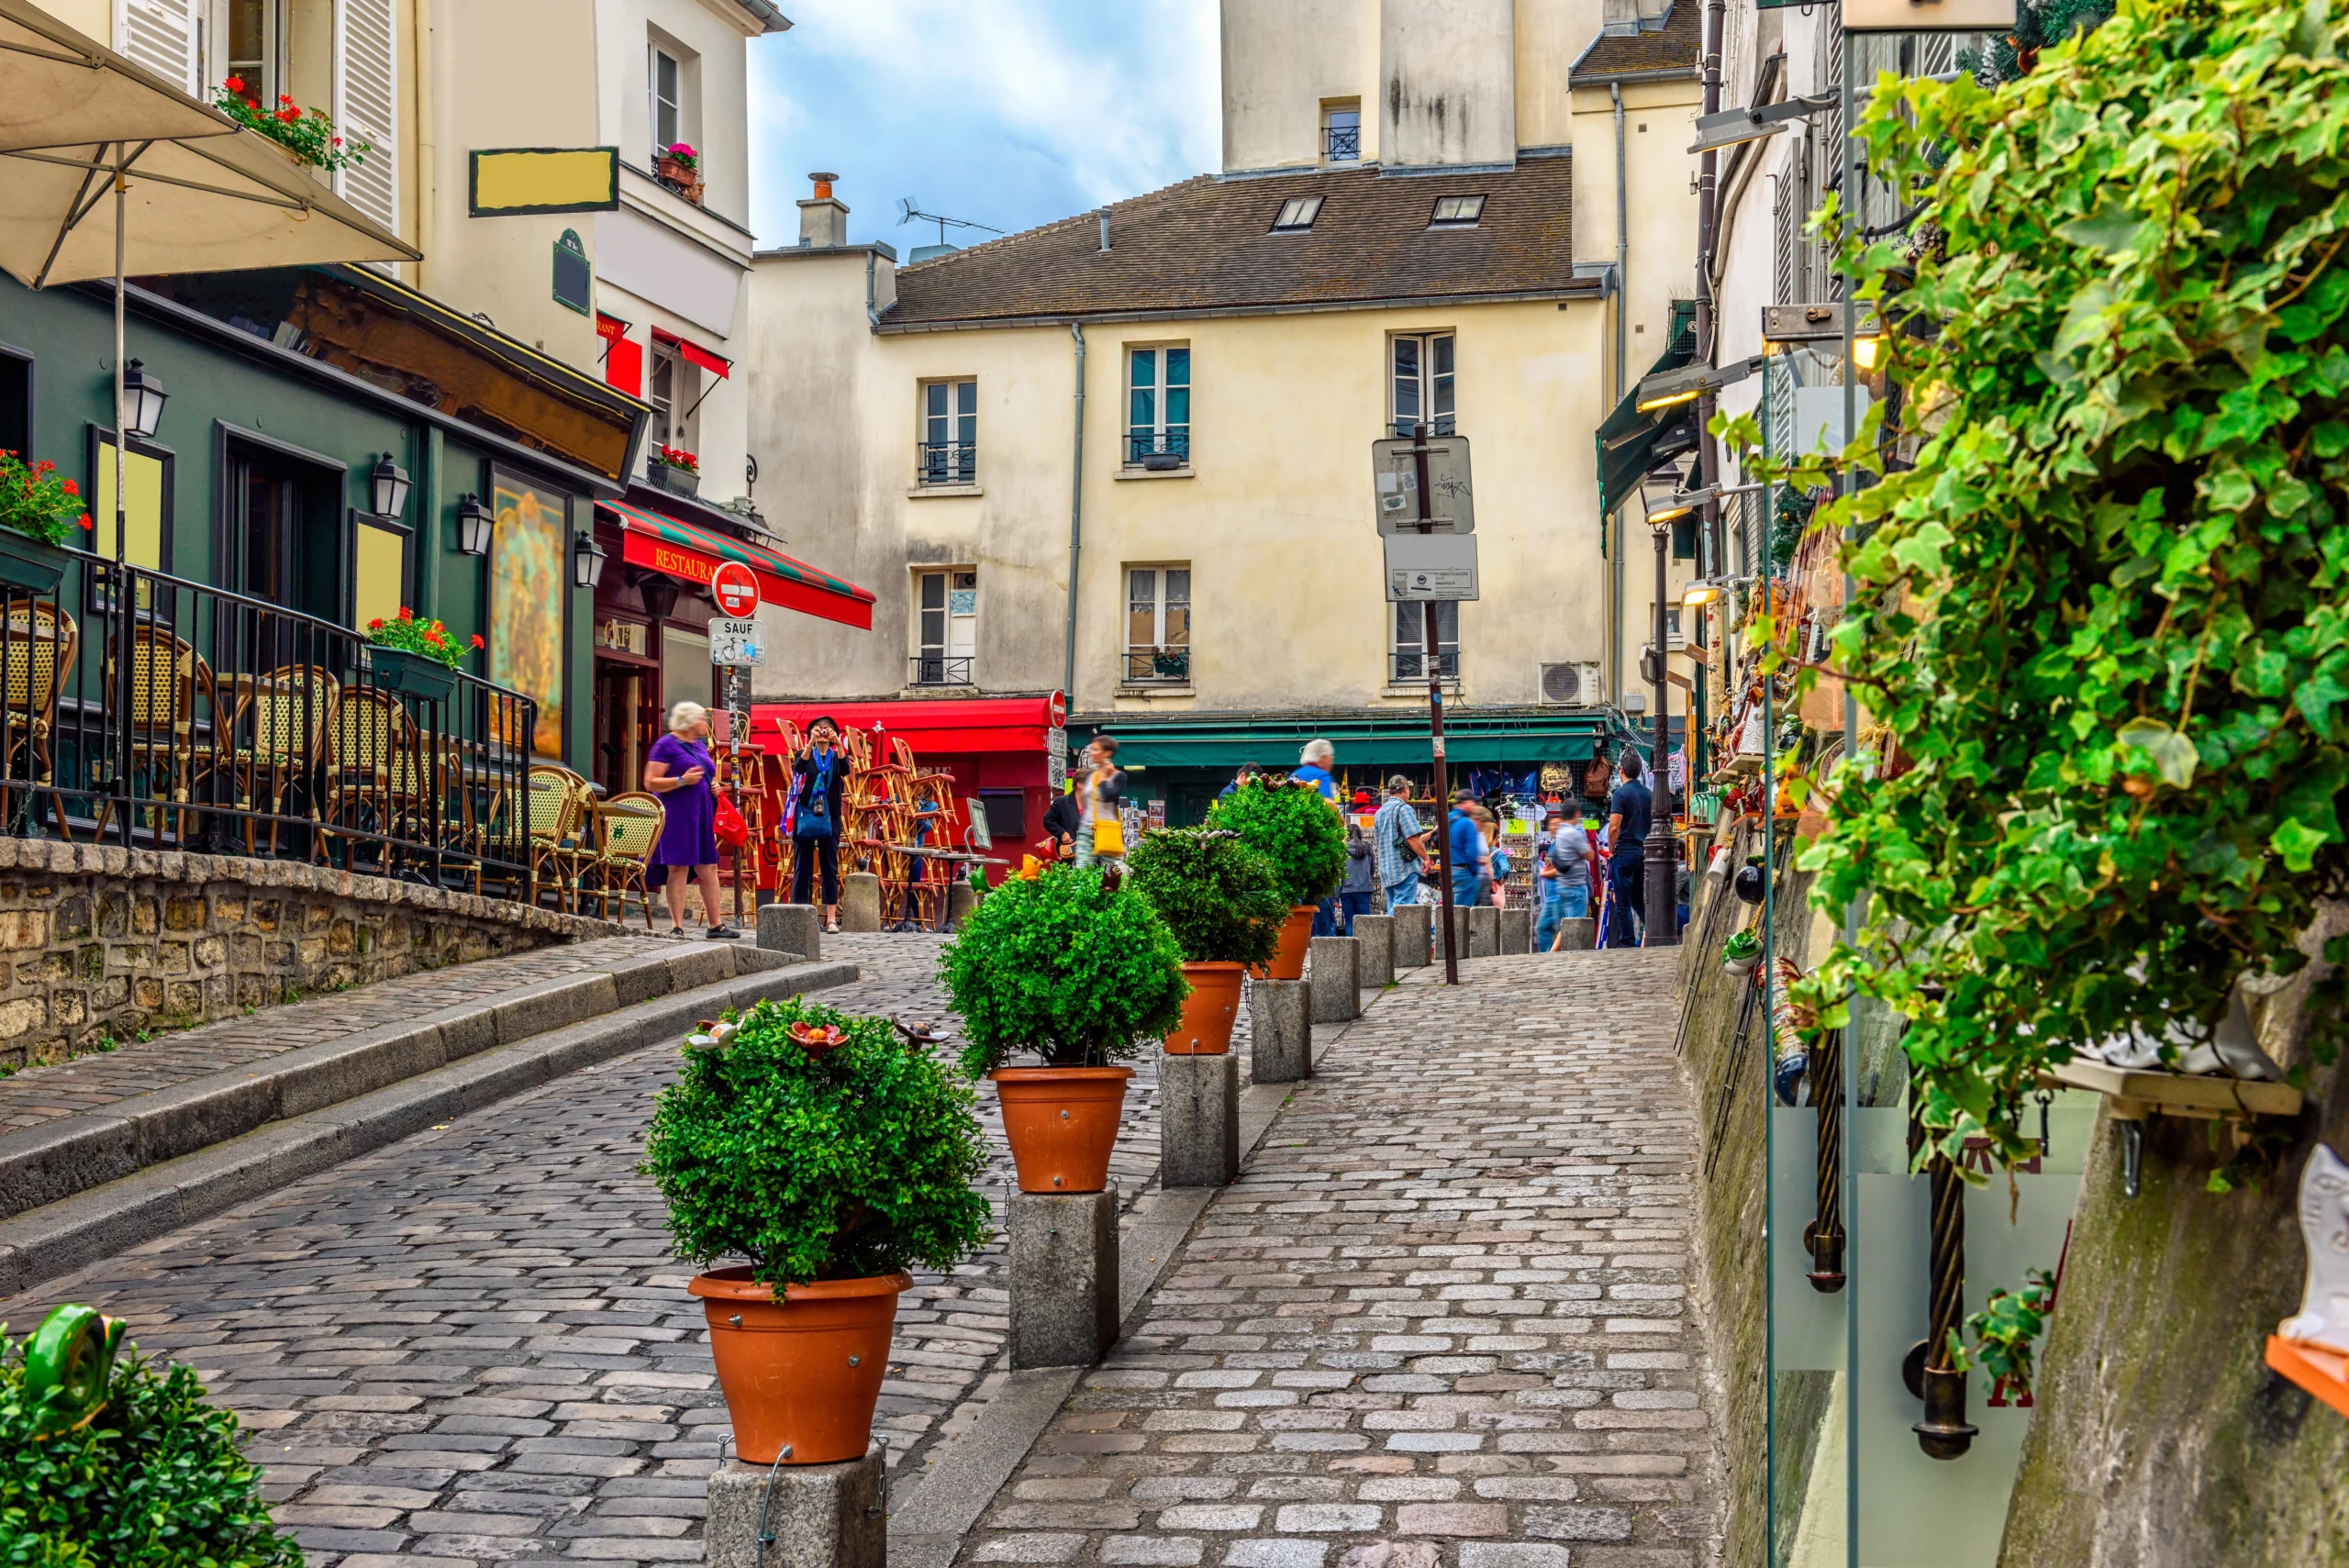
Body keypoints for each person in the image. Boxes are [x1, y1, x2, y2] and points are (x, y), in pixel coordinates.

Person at [643, 701, 740, 940]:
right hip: (676, 814)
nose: (705, 724)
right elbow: (650, 782)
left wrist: (713, 784)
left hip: (701, 813)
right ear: (688, 722)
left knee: (708, 866)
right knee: (678, 866)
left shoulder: (698, 745)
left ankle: (715, 925)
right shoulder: (665, 745)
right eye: (700, 719)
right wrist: (680, 780)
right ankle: (676, 926)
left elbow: (704, 773)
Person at [787, 715, 848, 931]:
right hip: (805, 815)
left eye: (827, 729)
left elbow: (846, 770)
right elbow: (799, 768)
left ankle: (830, 918)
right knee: (802, 866)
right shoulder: (805, 754)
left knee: (829, 867)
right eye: (818, 728)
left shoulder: (835, 756)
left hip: (830, 816)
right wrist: (810, 743)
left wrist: (839, 743)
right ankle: (801, 916)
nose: (823, 732)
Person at [1607, 750, 1653, 946]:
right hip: (1643, 853)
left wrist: (1611, 849)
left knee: (1623, 902)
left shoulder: (1621, 794)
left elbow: (1614, 827)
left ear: (1621, 770)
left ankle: (1627, 943)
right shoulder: (1650, 794)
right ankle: (1655, 930)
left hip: (1624, 852)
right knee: (1637, 899)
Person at [1535, 806, 1594, 951]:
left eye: (1557, 824)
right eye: (1551, 824)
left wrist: (1546, 872)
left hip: (1563, 890)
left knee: (1565, 928)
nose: (1554, 827)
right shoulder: (1555, 844)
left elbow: (1564, 867)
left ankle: (1552, 955)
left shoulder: (1567, 839)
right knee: (1544, 928)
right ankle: (1550, 955)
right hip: (1554, 893)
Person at [1372, 775, 1430, 909]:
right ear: (1406, 789)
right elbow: (1412, 838)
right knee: (1403, 909)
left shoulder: (1379, 813)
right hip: (1404, 868)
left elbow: (1378, 841)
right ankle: (1384, 930)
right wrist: (1426, 858)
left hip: (1386, 869)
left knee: (1393, 906)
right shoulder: (1404, 809)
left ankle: (1388, 930)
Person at [1074, 735, 1126, 868]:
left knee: (1108, 875)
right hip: (1086, 830)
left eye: (1096, 750)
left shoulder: (1118, 777)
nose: (1092, 753)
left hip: (1107, 830)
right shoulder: (1091, 775)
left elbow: (1108, 795)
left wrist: (1104, 777)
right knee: (1081, 873)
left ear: (1107, 753)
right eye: (1092, 749)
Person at [1448, 789, 1487, 909]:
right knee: (1461, 913)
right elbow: (1471, 853)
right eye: (1473, 801)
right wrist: (1475, 872)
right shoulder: (1467, 823)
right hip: (1463, 872)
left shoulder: (1447, 818)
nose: (1475, 805)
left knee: (1451, 909)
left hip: (1448, 871)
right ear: (1465, 802)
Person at [1339, 821, 1376, 934]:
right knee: (1364, 922)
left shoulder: (1342, 849)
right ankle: (1364, 949)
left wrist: (1336, 895)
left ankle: (1350, 950)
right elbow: (1372, 869)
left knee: (1350, 922)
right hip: (1364, 888)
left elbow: (1338, 873)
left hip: (1346, 889)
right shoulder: (1368, 848)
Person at [1041, 784, 1081, 861]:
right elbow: (1048, 820)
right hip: (1069, 854)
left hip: (1092, 856)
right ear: (1079, 784)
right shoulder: (1062, 801)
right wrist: (1062, 833)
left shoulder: (1095, 803)